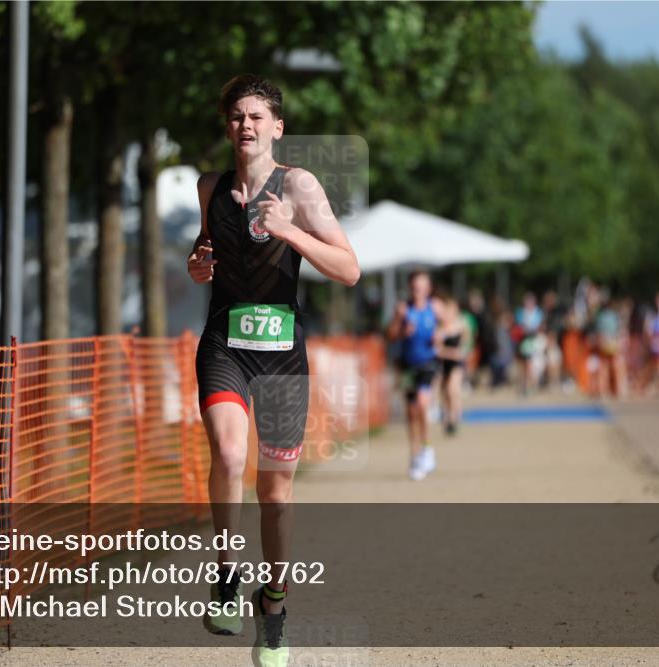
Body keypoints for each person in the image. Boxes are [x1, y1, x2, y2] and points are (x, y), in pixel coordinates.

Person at [187, 74, 359, 666]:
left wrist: (290, 229)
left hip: (283, 348)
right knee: (230, 455)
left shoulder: (300, 185)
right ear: (226, 124)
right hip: (225, 343)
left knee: (276, 493)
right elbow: (207, 247)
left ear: (277, 128)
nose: (246, 125)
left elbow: (348, 268)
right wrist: (198, 263)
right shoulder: (209, 185)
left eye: (258, 116)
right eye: (237, 115)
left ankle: (276, 604)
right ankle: (228, 578)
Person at [386, 271, 444, 480]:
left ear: (428, 288)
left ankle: (427, 448)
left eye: (422, 286)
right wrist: (402, 331)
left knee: (422, 403)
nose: (418, 289)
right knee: (410, 413)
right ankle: (415, 455)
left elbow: (452, 325)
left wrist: (440, 336)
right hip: (407, 364)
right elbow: (390, 334)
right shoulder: (403, 309)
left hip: (428, 362)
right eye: (415, 286)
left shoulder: (435, 307)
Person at [436, 296, 469, 436]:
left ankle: (455, 417)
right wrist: (451, 353)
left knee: (452, 389)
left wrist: (461, 353)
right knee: (445, 393)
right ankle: (448, 415)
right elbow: (437, 350)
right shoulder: (440, 329)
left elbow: (466, 345)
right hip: (444, 364)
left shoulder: (461, 326)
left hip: (457, 364)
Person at [515, 292, 544, 396]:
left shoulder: (538, 312)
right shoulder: (520, 313)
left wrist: (530, 330)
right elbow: (520, 327)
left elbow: (538, 327)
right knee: (524, 365)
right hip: (524, 342)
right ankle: (524, 386)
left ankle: (531, 386)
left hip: (535, 342)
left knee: (532, 365)